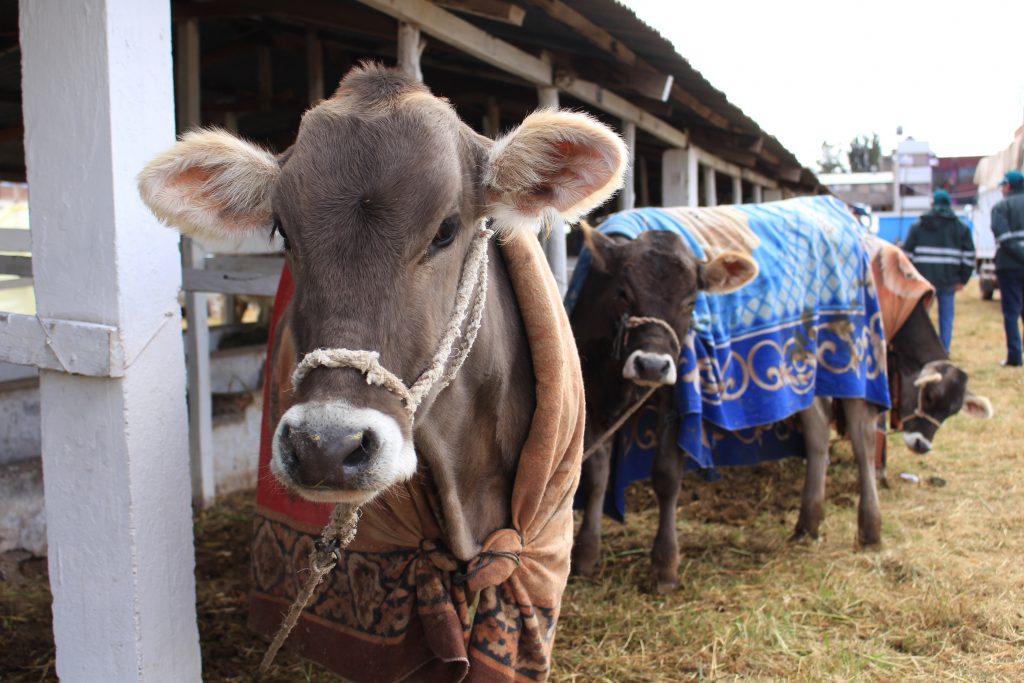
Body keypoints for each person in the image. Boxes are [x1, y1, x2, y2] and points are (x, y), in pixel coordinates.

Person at [902, 189, 975, 352]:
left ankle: (921, 351)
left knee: (921, 318)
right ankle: (944, 351)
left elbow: (906, 256)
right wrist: (963, 279)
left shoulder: (919, 225)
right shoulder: (961, 227)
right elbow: (969, 256)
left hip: (923, 282)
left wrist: (911, 279)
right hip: (949, 281)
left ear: (933, 203)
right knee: (946, 318)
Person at [991, 170, 1024, 367]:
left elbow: (1004, 239)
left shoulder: (1000, 207)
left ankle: (1015, 357)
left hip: (1009, 267)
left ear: (1008, 186)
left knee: (1011, 312)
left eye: (1003, 186)